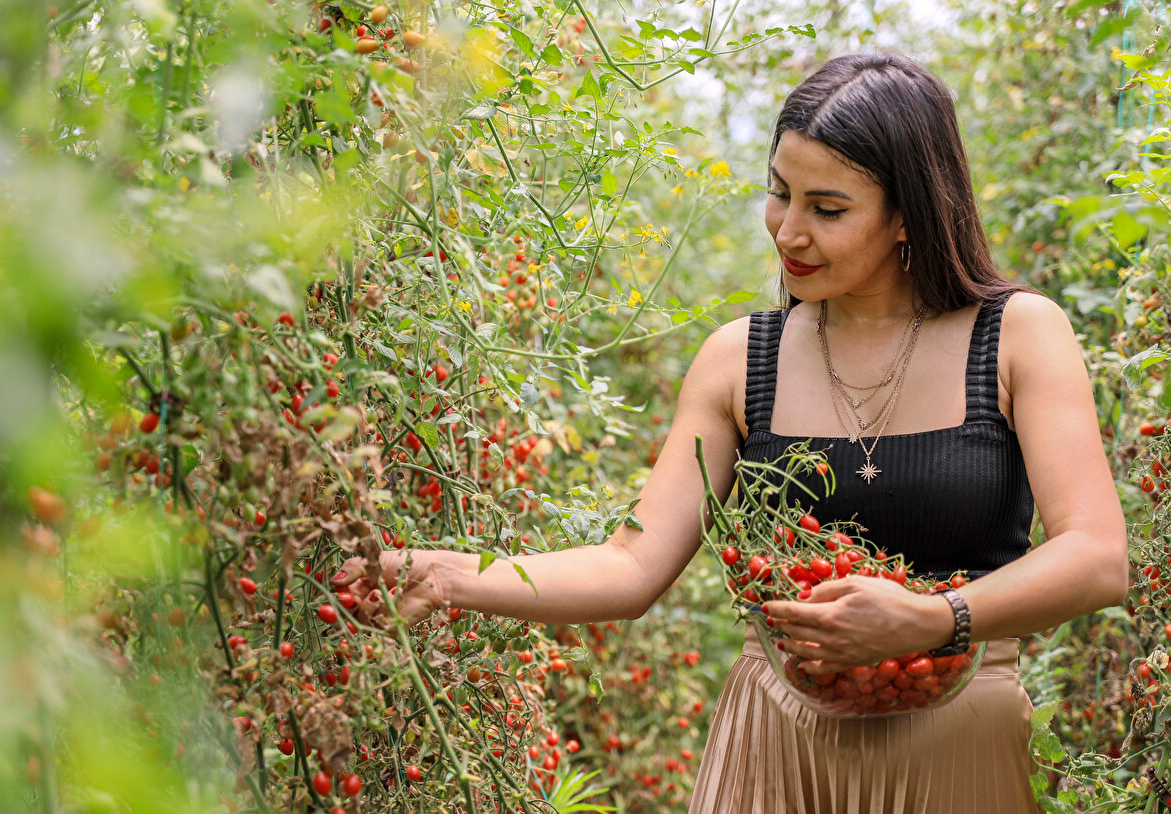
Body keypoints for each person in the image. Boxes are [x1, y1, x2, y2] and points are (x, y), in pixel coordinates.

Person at [333, 53, 1128, 813]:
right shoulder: (740, 361)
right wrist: (450, 576)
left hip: (958, 739)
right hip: (776, 744)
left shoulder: (1018, 336)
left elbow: (1096, 557)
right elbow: (631, 564)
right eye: (779, 193)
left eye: (828, 209)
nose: (787, 232)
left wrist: (936, 618)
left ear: (906, 216)